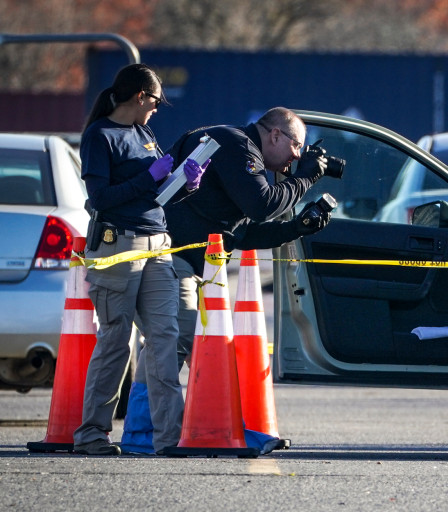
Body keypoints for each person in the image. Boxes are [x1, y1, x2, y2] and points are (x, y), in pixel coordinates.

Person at [122, 107, 334, 452]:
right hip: (168, 260)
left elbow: (240, 233)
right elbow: (263, 205)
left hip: (181, 262)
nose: (297, 158)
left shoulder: (234, 149)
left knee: (166, 345)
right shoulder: (235, 146)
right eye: (297, 147)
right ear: (275, 135)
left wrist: (297, 227)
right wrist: (307, 179)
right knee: (186, 339)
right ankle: (175, 434)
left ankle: (141, 433)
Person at [73, 64, 208, 456]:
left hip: (157, 243)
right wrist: (151, 177)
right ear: (138, 97)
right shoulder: (100, 136)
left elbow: (159, 193)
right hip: (119, 245)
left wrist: (185, 184)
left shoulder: (144, 133)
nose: (156, 109)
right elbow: (101, 199)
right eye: (154, 101)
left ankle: (171, 439)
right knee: (116, 341)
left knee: (164, 338)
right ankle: (92, 436)